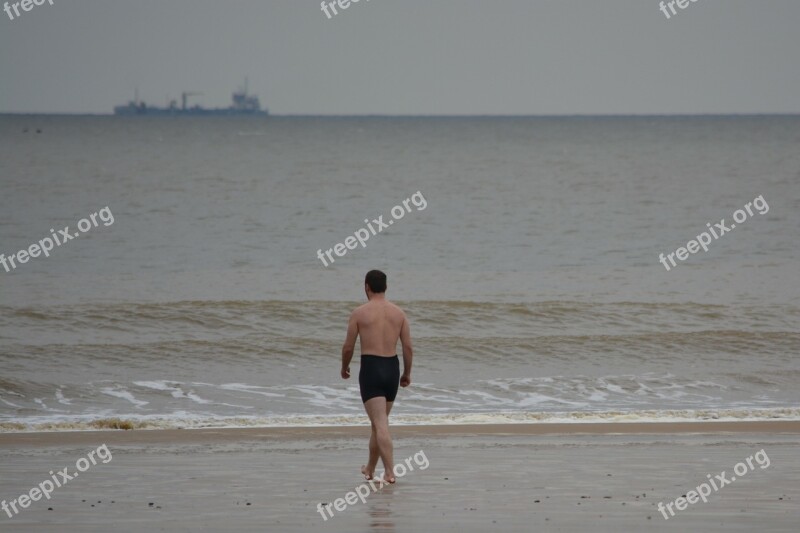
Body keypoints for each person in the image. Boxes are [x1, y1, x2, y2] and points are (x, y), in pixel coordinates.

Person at [341, 269, 413, 483]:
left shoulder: (359, 313)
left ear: (366, 287)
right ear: (386, 287)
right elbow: (408, 347)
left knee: (380, 424)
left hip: (371, 368)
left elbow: (348, 347)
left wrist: (344, 367)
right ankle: (370, 468)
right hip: (392, 368)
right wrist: (407, 373)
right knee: (378, 423)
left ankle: (390, 471)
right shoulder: (399, 313)